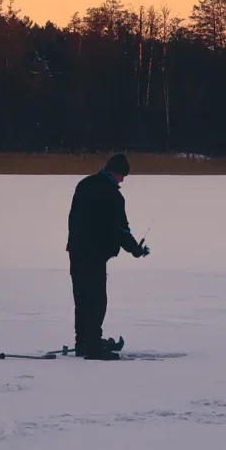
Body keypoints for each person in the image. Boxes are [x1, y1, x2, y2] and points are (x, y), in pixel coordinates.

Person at [65, 153, 149, 360]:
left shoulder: (84, 184)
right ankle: (93, 346)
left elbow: (76, 218)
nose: (122, 181)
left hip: (76, 250)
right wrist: (136, 250)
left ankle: (82, 342)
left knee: (82, 298)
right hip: (94, 254)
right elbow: (120, 229)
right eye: (123, 177)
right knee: (96, 300)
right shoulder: (112, 194)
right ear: (117, 172)